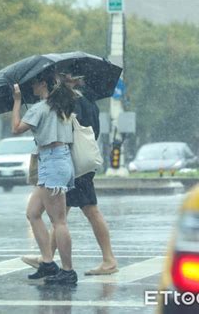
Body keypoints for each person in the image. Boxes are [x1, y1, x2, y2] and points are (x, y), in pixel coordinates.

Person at [21, 75, 118, 275]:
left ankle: (108, 259)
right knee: (62, 214)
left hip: (73, 163)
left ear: (74, 79)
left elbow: (65, 130)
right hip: (76, 162)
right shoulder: (86, 100)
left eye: (62, 77)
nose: (57, 80)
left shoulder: (75, 102)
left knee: (87, 211)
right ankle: (46, 257)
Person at [11, 71, 78, 285]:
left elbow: (15, 129)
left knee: (59, 222)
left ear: (43, 84)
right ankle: (48, 263)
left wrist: (17, 101)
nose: (31, 87)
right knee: (33, 213)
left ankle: (68, 271)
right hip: (56, 160)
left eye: (34, 83)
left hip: (53, 162)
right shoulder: (61, 105)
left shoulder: (42, 108)